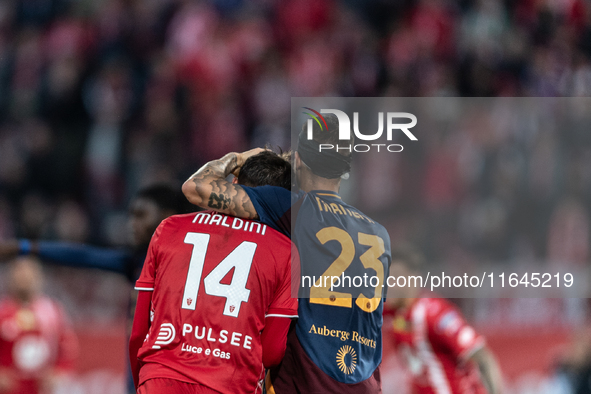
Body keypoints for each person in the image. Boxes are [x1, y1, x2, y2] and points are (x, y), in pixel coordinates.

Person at [182, 114, 391, 393]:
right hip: (365, 385)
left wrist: (236, 158)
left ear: (299, 162)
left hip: (308, 383)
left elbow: (195, 188)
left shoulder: (290, 206)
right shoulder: (379, 234)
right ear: (344, 171)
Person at [130, 151, 297, 394]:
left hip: (160, 378)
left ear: (234, 185)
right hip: (230, 383)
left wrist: (234, 158)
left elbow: (138, 332)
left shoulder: (169, 228)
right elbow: (272, 350)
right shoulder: (286, 253)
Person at [0, 183, 194, 393]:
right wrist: (24, 247)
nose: (132, 224)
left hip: (171, 376)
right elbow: (84, 256)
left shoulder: (188, 269)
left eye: (141, 215)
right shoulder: (137, 263)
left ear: (167, 217)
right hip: (138, 375)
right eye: (131, 216)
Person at [384, 245, 504, 394]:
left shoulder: (435, 314)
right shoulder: (392, 312)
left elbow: (483, 358)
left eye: (395, 277)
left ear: (412, 278)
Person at [0, 257, 77, 394]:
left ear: (39, 277)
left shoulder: (52, 311)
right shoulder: (2, 311)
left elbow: (67, 347)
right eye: (20, 273)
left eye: (29, 273)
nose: (24, 278)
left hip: (41, 389)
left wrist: (59, 373)